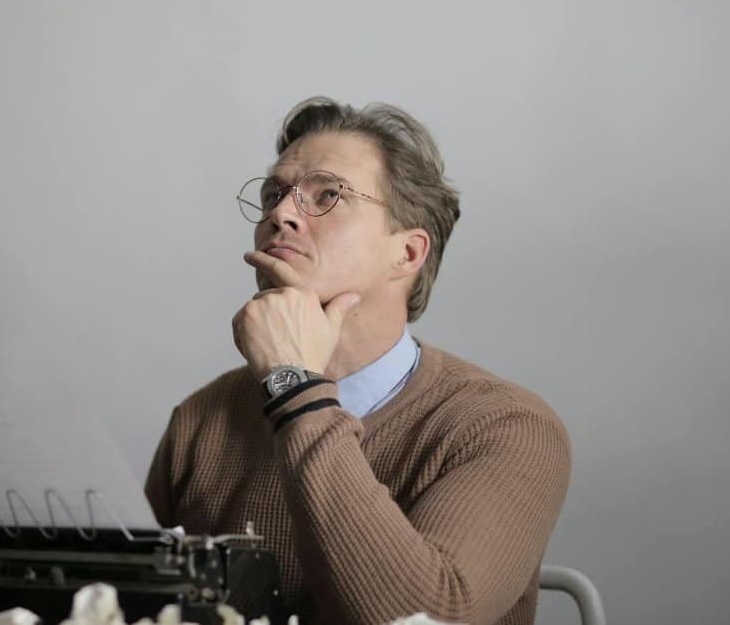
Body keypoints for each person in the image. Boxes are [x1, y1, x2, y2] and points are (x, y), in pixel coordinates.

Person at [144, 97, 571, 625]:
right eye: (274, 194)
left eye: (328, 195)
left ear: (408, 254)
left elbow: (426, 619)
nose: (279, 214)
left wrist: (296, 391)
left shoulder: (504, 427)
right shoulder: (203, 418)